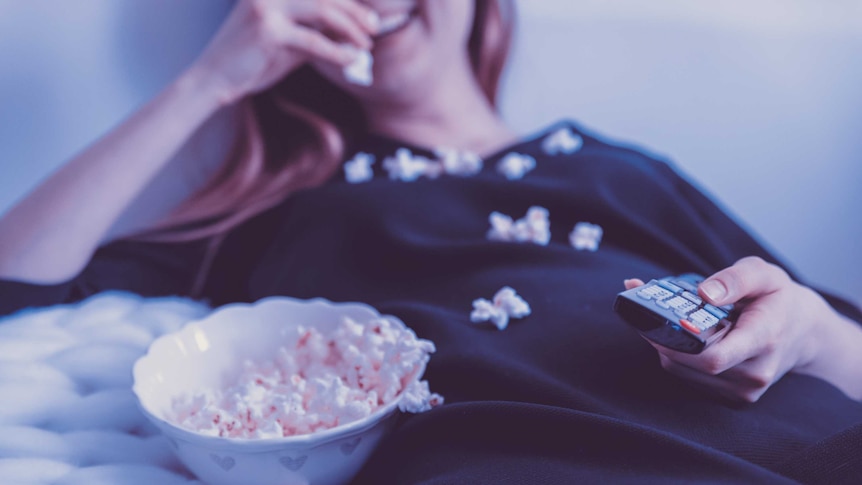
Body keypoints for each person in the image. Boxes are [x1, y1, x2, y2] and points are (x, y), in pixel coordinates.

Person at [1, 0, 861, 482]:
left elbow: (846, 353)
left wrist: (811, 331)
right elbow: (17, 285)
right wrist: (208, 82)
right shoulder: (291, 209)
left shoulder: (621, 169)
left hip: (808, 445)